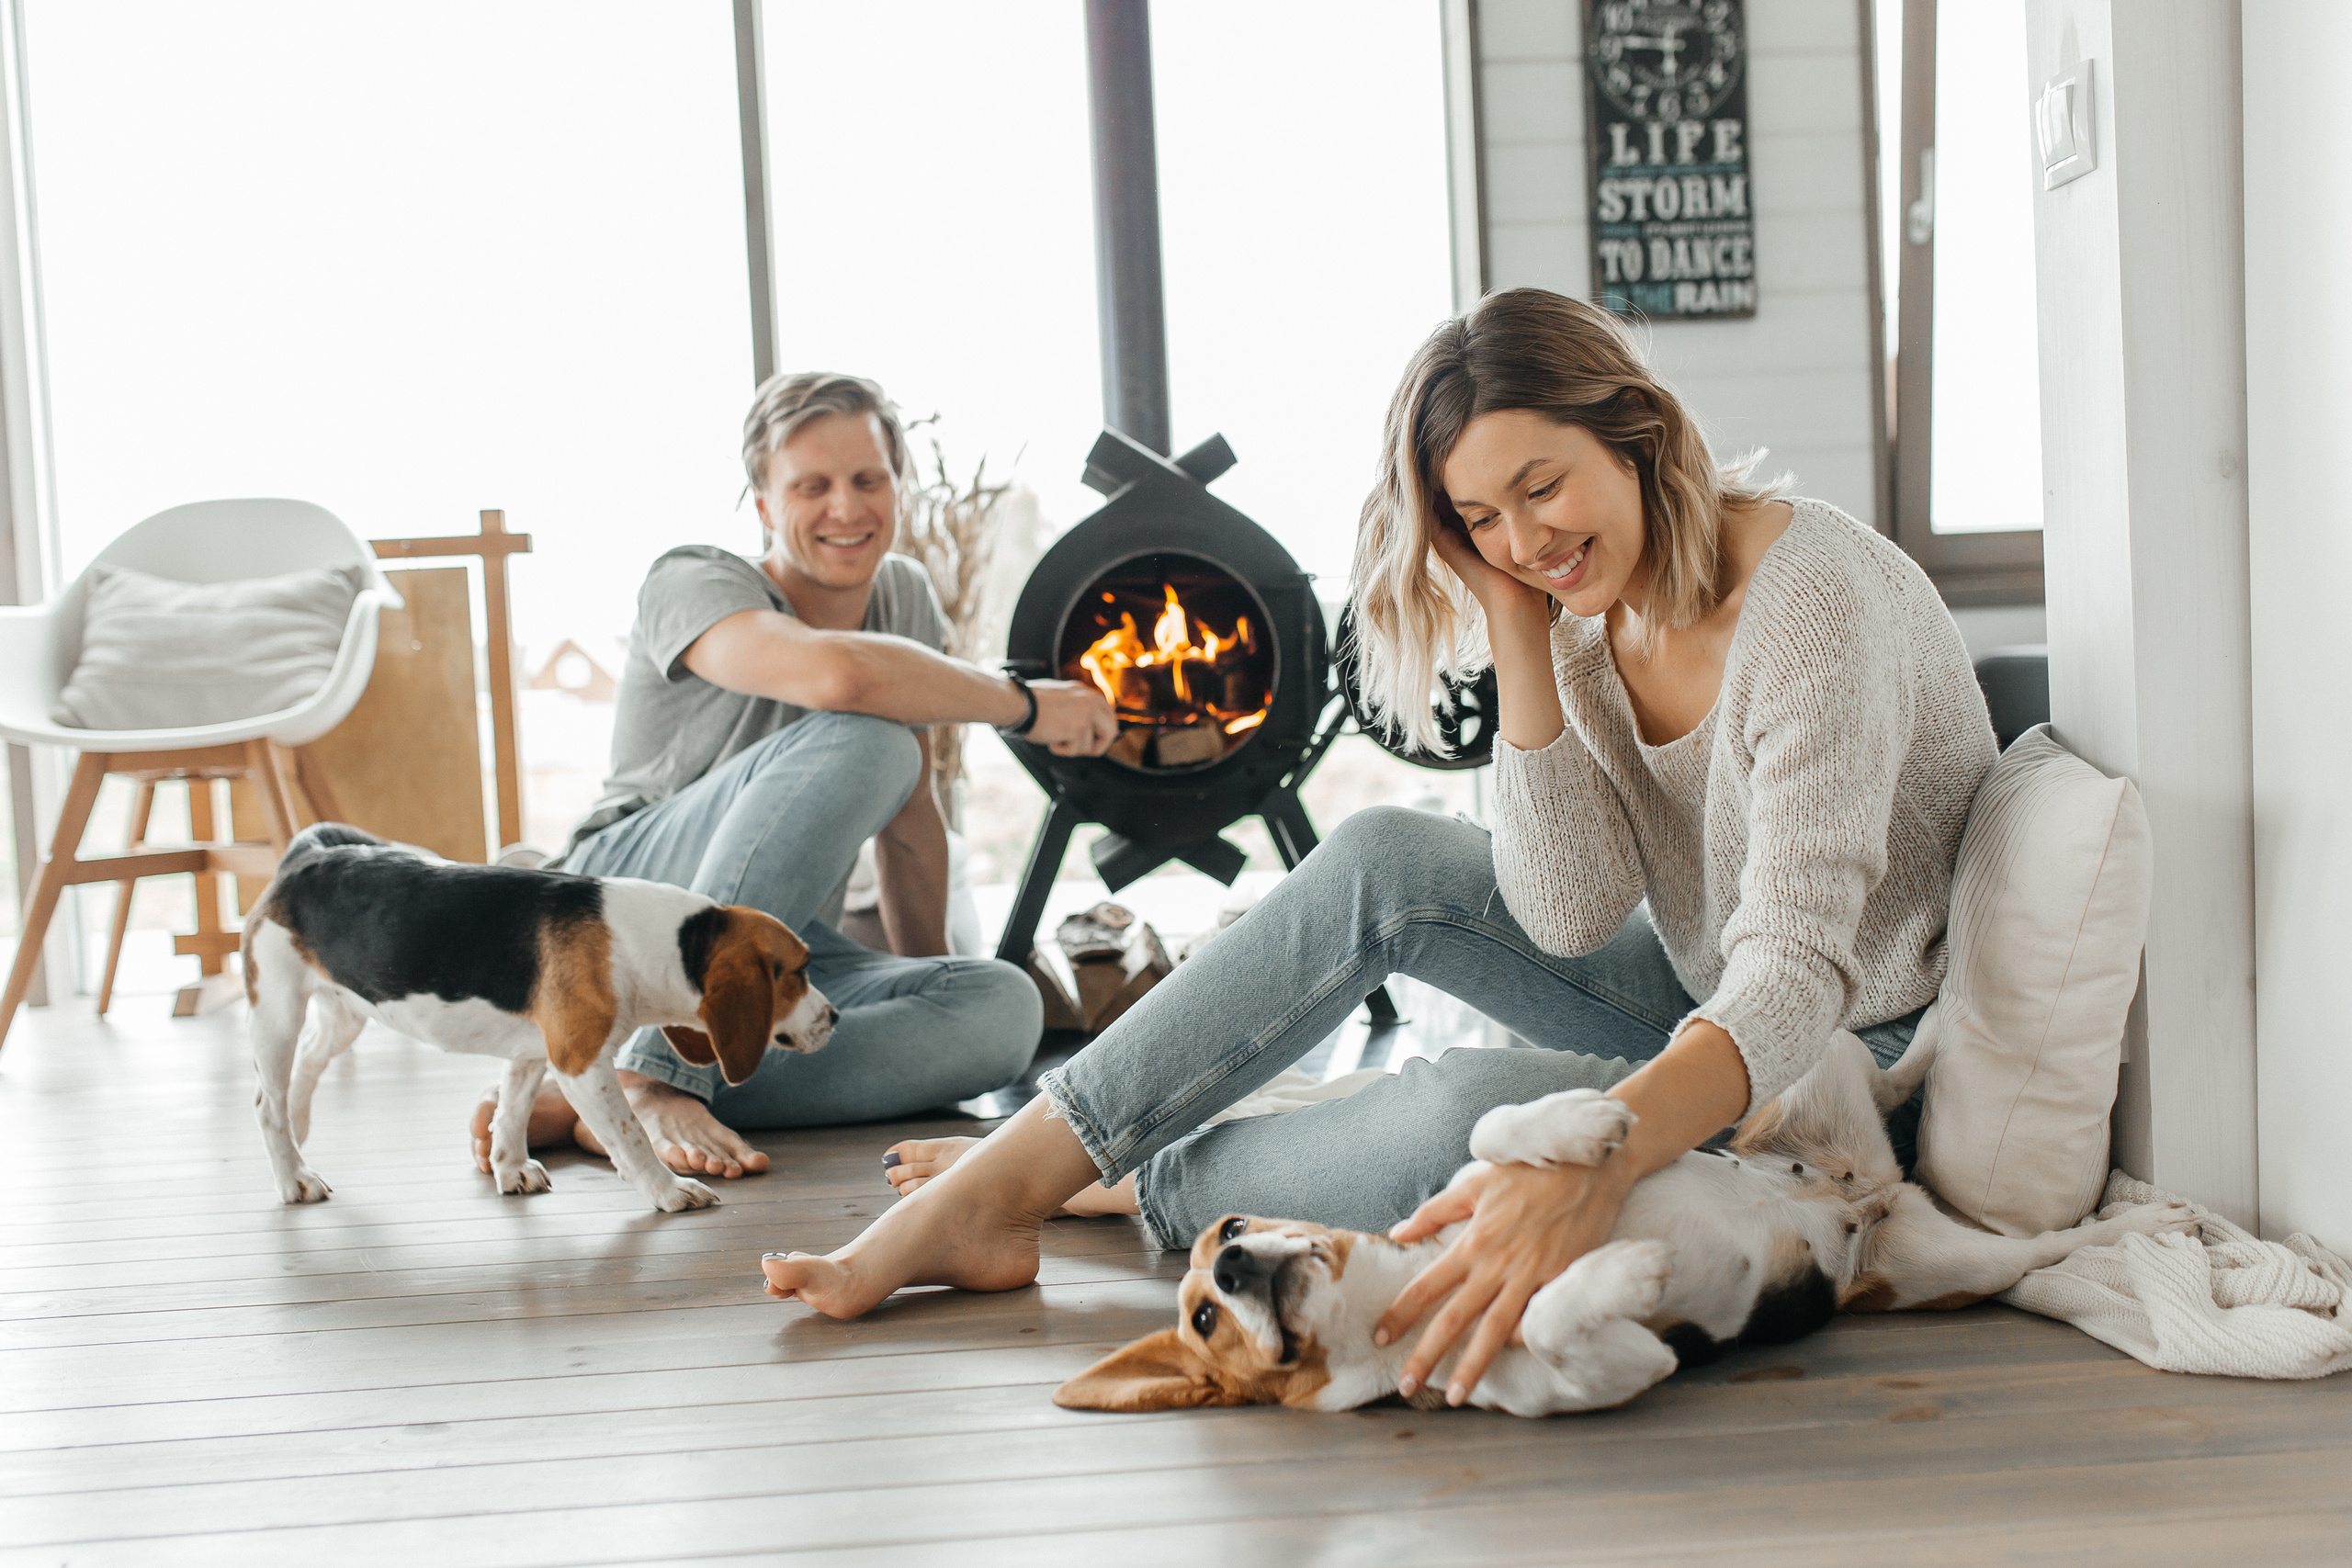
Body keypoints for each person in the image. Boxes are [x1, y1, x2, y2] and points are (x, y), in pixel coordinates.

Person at [758, 289, 1997, 1409]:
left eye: (1544, 484)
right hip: (1697, 995)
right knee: (1384, 851)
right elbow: (1568, 910)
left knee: (1464, 1108)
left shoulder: (1811, 603)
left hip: (1846, 1067)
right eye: (1479, 518)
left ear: (1638, 429)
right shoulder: (1572, 603)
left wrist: (1591, 1150)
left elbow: (1794, 980)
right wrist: (1521, 626)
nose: (1524, 540)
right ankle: (1004, 1187)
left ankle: (1140, 1176)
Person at [468, 371, 1118, 1179]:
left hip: (776, 947)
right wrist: (1024, 705)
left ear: (898, 488)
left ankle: (591, 1088)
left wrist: (930, 980)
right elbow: (838, 678)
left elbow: (912, 825)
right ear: (766, 505)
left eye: (868, 479)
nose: (846, 508)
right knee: (874, 741)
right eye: (813, 485)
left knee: (1002, 1007)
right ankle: (647, 1073)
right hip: (616, 911)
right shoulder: (692, 579)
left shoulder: (904, 597)